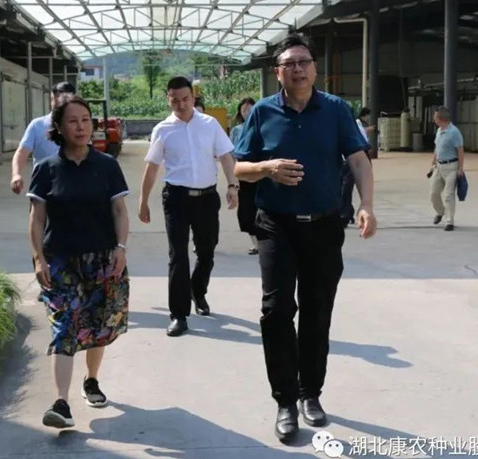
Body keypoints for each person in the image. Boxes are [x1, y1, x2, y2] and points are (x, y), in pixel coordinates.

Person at [233, 33, 377, 443]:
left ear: (314, 68)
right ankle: (284, 400)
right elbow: (237, 167)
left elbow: (358, 160)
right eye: (288, 64)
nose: (297, 69)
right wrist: (268, 167)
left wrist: (366, 203)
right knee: (276, 310)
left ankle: (310, 393)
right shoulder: (261, 112)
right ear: (277, 72)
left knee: (317, 310)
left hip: (324, 225)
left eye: (303, 62)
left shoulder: (335, 110)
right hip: (277, 224)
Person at [27, 94, 130, 429]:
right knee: (65, 327)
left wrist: (120, 247)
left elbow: (119, 210)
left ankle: (92, 380)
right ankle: (61, 402)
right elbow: (37, 218)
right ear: (58, 127)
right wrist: (38, 259)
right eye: (73, 121)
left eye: (86, 120)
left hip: (102, 259)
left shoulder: (107, 166)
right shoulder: (46, 169)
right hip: (61, 261)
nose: (81, 126)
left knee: (99, 324)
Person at [138, 76, 239, 337]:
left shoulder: (210, 124)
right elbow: (151, 167)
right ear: (168, 99)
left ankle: (198, 289)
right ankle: (179, 315)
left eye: (185, 99)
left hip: (206, 198)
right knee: (178, 255)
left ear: (193, 98)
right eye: (175, 100)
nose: (181, 105)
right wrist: (143, 201)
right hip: (176, 198)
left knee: (207, 251)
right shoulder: (162, 129)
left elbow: (226, 156)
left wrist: (232, 185)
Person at [11, 81, 76, 194]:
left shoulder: (80, 125)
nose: (59, 104)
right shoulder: (38, 125)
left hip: (72, 186)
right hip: (43, 186)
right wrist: (16, 174)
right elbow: (22, 152)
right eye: (55, 99)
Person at [429, 105, 465, 231]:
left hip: (451, 167)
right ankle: (440, 212)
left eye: (435, 117)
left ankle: (449, 221)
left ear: (441, 118)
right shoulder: (439, 130)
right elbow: (436, 148)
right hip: (439, 166)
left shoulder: (454, 132)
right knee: (433, 193)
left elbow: (460, 150)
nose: (434, 119)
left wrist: (460, 168)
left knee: (449, 195)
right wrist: (432, 164)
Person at [230, 97, 258, 254]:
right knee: (246, 211)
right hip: (243, 174)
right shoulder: (236, 131)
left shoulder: (263, 127)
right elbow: (232, 154)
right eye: (244, 110)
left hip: (261, 173)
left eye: (250, 110)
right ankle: (255, 243)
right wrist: (233, 179)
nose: (247, 113)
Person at [340, 107, 374, 227]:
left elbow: (362, 151)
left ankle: (345, 214)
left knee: (346, 189)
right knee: (342, 190)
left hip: (350, 163)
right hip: (340, 163)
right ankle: (347, 212)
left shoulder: (356, 128)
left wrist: (366, 204)